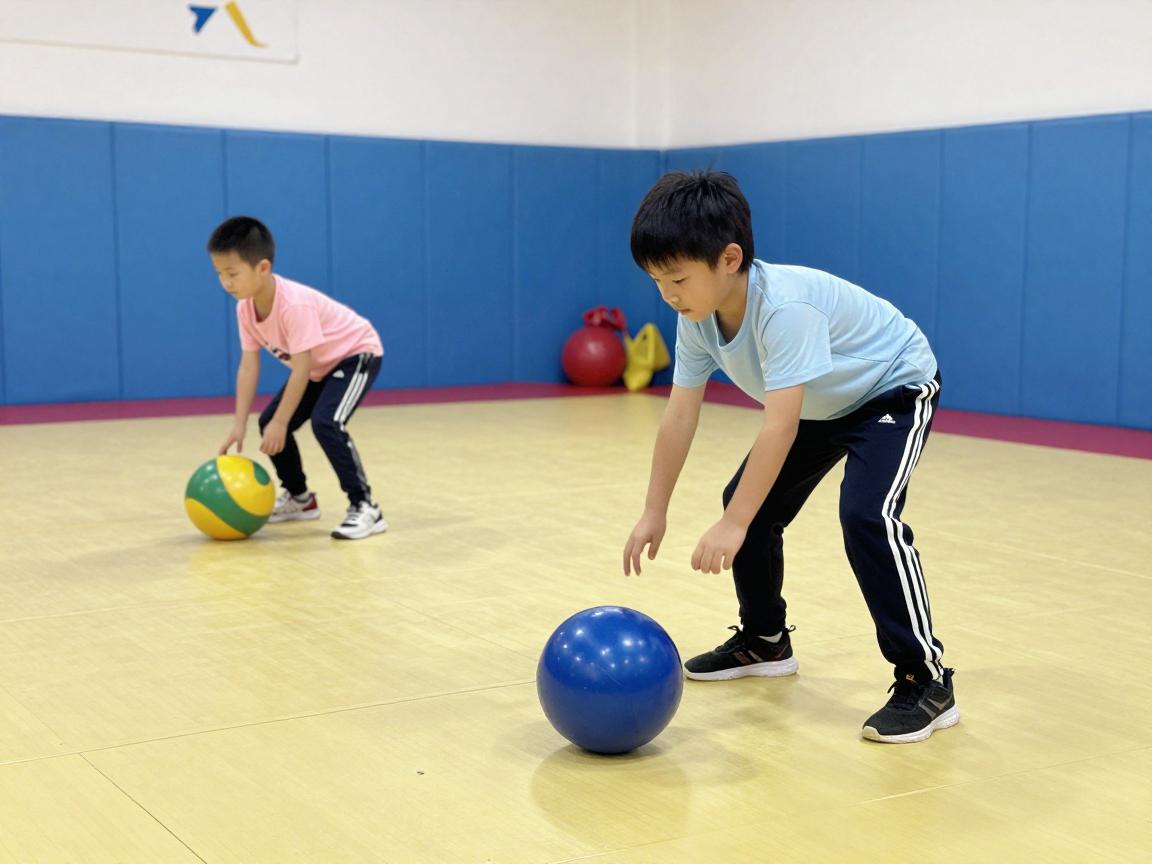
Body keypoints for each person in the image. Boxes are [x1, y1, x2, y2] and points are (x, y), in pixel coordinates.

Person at [621, 171, 958, 743]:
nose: (668, 295)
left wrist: (734, 524)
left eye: (677, 279)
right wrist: (655, 509)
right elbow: (679, 415)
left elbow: (779, 425)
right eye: (657, 281)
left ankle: (925, 678)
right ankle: (765, 640)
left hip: (892, 388)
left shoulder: (785, 308)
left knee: (867, 516)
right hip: (824, 403)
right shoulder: (696, 319)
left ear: (730, 259)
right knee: (746, 500)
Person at [209, 216, 387, 541]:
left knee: (326, 422)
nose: (226, 282)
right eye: (219, 274)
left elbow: (301, 368)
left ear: (263, 267)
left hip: (355, 354)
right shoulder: (245, 309)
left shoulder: (294, 306)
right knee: (269, 422)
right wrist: (239, 424)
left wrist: (282, 422)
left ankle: (365, 506)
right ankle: (300, 498)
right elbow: (249, 366)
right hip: (319, 366)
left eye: (232, 273)